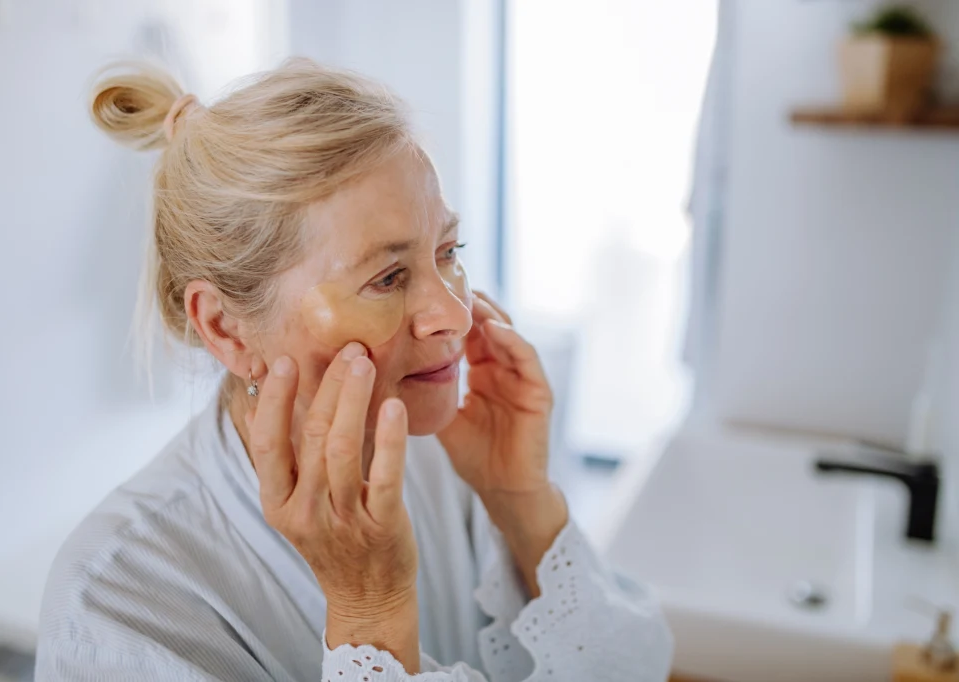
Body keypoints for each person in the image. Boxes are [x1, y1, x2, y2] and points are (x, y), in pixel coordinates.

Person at [35, 58, 673, 682]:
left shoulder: (443, 459)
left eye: (449, 251)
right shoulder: (112, 606)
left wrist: (521, 501)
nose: (454, 313)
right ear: (226, 328)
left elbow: (637, 667)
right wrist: (371, 616)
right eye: (388, 277)